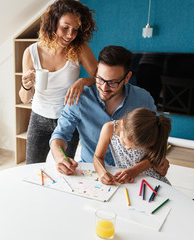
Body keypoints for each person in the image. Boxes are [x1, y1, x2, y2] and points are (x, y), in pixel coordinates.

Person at [50, 45, 170, 182]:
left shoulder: (143, 99)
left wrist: (137, 169)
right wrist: (59, 158)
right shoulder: (79, 98)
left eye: (112, 83)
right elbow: (60, 134)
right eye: (100, 79)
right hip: (92, 172)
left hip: (135, 176)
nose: (104, 88)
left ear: (127, 77)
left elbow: (155, 144)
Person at [19, 0, 98, 164]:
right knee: (32, 168)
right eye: (65, 27)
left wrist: (83, 81)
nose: (70, 35)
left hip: (68, 119)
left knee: (66, 168)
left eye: (76, 30)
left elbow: (100, 79)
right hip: (38, 118)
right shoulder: (31, 52)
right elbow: (25, 99)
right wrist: (26, 85)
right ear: (53, 23)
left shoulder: (80, 49)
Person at [94, 107, 171, 185]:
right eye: (124, 142)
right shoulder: (109, 128)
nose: (127, 148)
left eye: (135, 148)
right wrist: (102, 173)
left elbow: (154, 157)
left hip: (151, 180)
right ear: (122, 123)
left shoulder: (151, 135)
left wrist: (134, 171)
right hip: (127, 181)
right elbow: (98, 157)